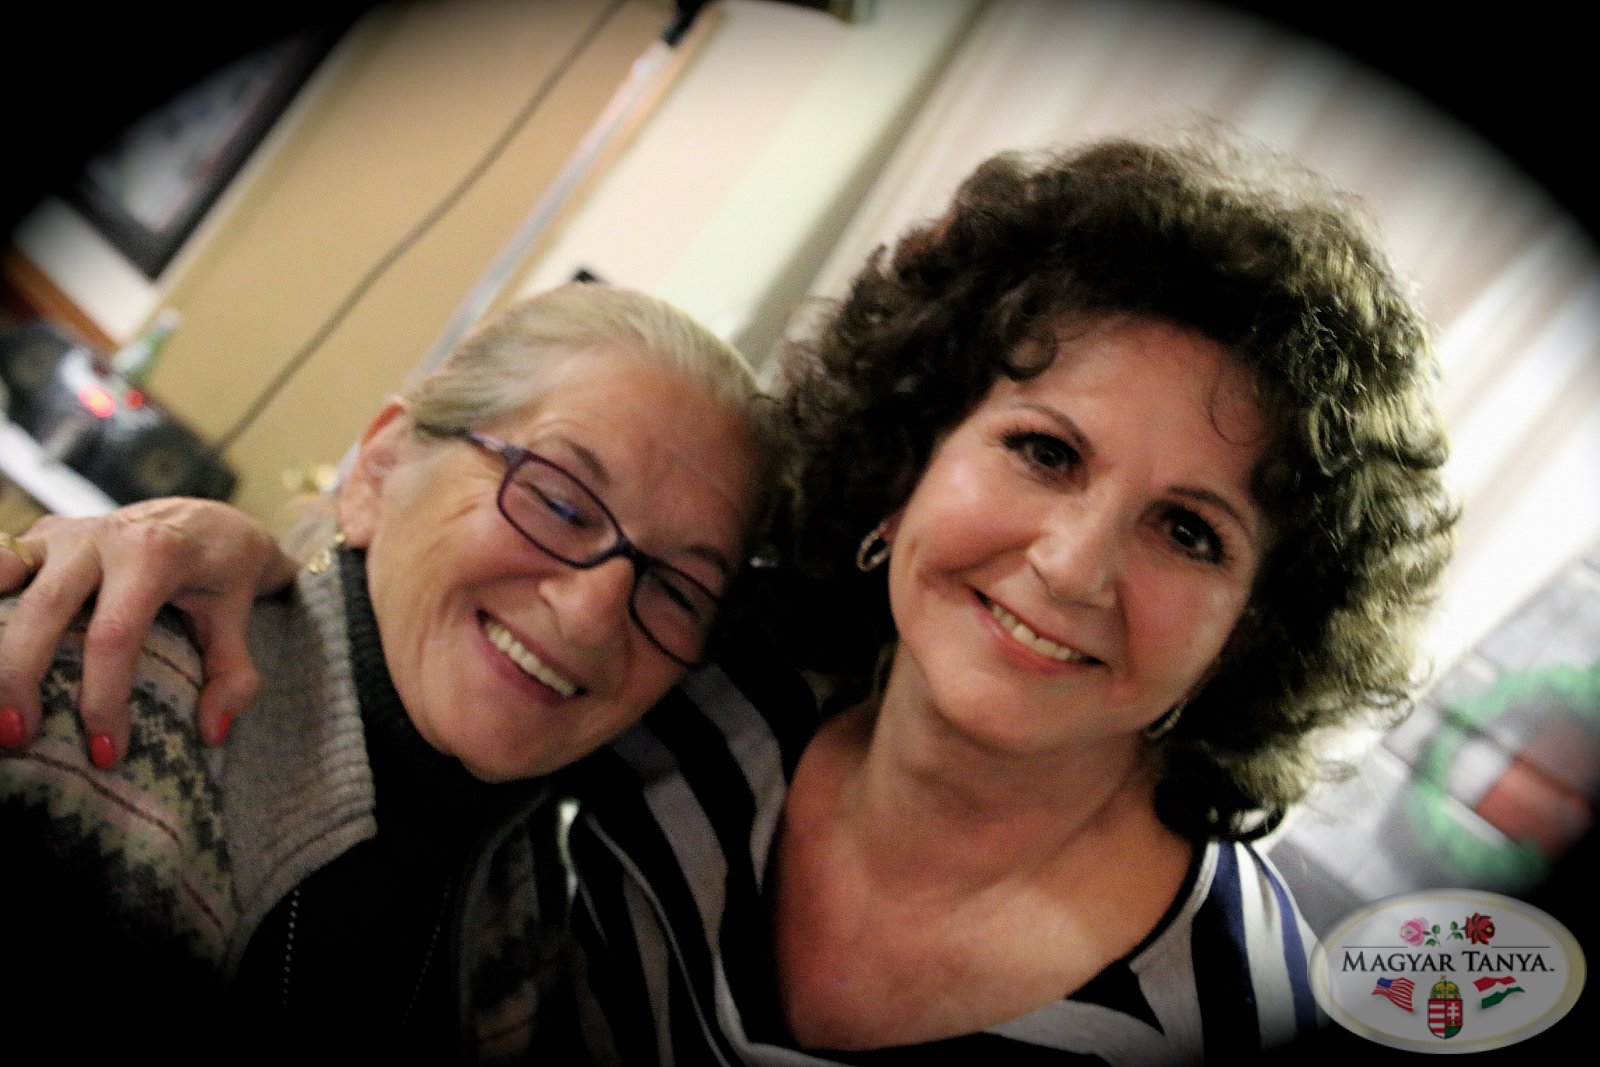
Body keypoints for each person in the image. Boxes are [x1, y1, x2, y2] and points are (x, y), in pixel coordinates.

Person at [0, 126, 1458, 1064]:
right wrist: (227, 547)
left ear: (1259, 623)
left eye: (1190, 531)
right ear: (911, 456)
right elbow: (459, 639)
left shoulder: (1232, 1011)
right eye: (1042, 448)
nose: (1074, 563)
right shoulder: (720, 667)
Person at [0, 281, 791, 1061]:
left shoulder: (533, 949)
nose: (592, 614)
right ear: (381, 465)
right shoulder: (89, 696)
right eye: (559, 503)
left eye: (678, 591)